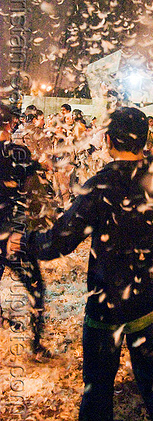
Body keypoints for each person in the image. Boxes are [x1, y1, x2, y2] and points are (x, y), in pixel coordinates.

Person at [8, 107, 153, 421]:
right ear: (145, 138)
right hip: (149, 292)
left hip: (108, 299)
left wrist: (21, 241)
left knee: (98, 386)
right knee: (150, 372)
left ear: (108, 140)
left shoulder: (102, 184)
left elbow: (59, 242)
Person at [0, 103, 47, 355]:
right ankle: (36, 344)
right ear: (11, 124)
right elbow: (27, 197)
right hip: (11, 233)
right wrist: (19, 231)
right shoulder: (18, 153)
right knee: (35, 287)